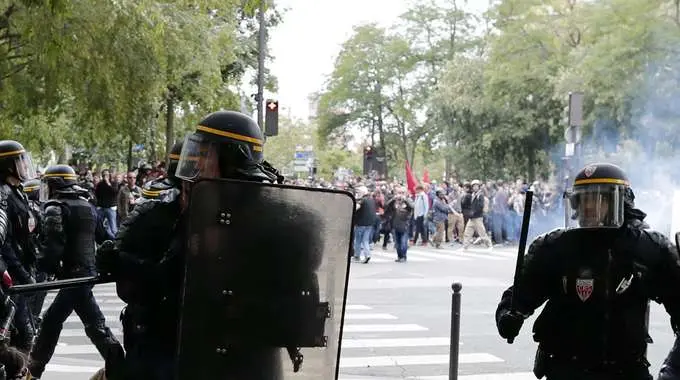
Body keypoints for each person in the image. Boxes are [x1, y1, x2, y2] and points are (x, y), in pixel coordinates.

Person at [95, 111, 285, 379]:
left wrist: (126, 264)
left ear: (232, 158)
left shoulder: (269, 222)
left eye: (206, 154)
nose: (197, 163)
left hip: (231, 362)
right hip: (174, 355)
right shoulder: (187, 213)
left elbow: (180, 282)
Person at [495, 163, 680, 380]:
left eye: (599, 199)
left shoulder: (648, 248)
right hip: (566, 369)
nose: (589, 206)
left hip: (626, 370)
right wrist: (509, 314)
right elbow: (521, 294)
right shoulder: (555, 247)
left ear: (620, 202)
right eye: (584, 199)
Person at [28, 165, 123, 379]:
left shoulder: (56, 207)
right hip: (87, 274)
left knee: (54, 321)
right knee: (93, 323)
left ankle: (32, 371)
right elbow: (105, 238)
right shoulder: (87, 204)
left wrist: (44, 268)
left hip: (72, 275)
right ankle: (120, 368)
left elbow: (53, 247)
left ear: (56, 184)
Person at [0, 140, 37, 354]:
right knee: (21, 334)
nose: (24, 165)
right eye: (19, 160)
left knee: (25, 333)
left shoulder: (17, 192)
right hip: (11, 276)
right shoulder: (3, 194)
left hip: (21, 272)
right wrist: (22, 274)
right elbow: (5, 244)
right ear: (7, 165)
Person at [21, 178, 48, 327]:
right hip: (35, 255)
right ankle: (31, 319)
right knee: (37, 290)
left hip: (33, 253)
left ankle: (31, 318)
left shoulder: (30, 206)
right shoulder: (35, 209)